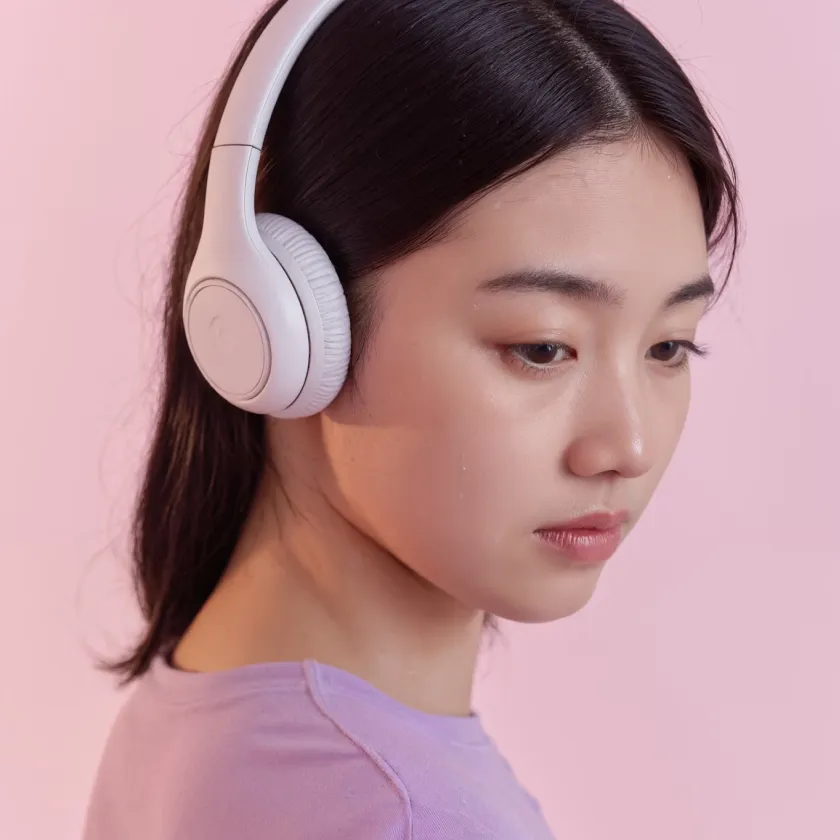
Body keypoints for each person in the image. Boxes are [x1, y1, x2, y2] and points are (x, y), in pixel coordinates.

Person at [82, 0, 739, 837]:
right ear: (282, 324)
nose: (628, 446)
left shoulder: (210, 701)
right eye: (543, 347)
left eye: (669, 348)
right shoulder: (405, 814)